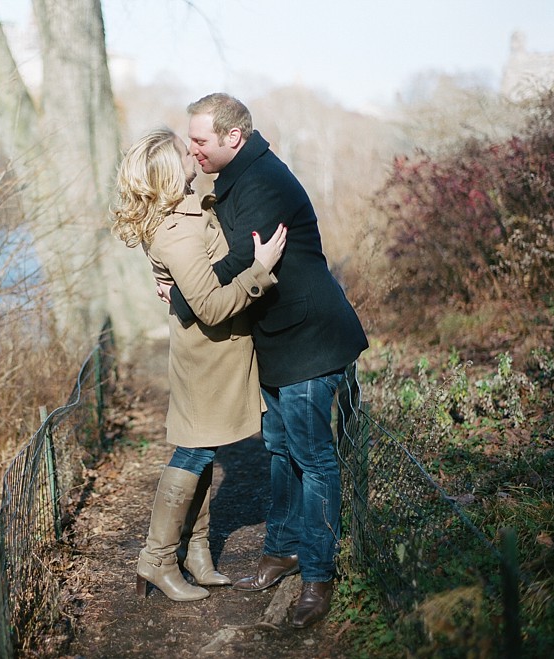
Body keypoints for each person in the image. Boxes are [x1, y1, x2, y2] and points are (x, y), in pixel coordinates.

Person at [165, 93, 369, 627]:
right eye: (191, 140)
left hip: (310, 338)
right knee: (280, 449)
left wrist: (182, 296)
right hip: (277, 338)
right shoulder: (235, 174)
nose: (193, 150)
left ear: (233, 137)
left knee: (313, 458)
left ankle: (318, 579)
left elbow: (235, 261)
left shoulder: (263, 182)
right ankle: (281, 552)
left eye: (200, 140)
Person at [111, 128, 287, 602]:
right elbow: (209, 305)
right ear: (169, 172)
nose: (192, 151)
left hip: (215, 351)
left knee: (203, 449)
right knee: (193, 451)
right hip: (208, 355)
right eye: (181, 151)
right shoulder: (175, 229)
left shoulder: (187, 211)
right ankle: (157, 558)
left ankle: (196, 553)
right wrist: (261, 271)